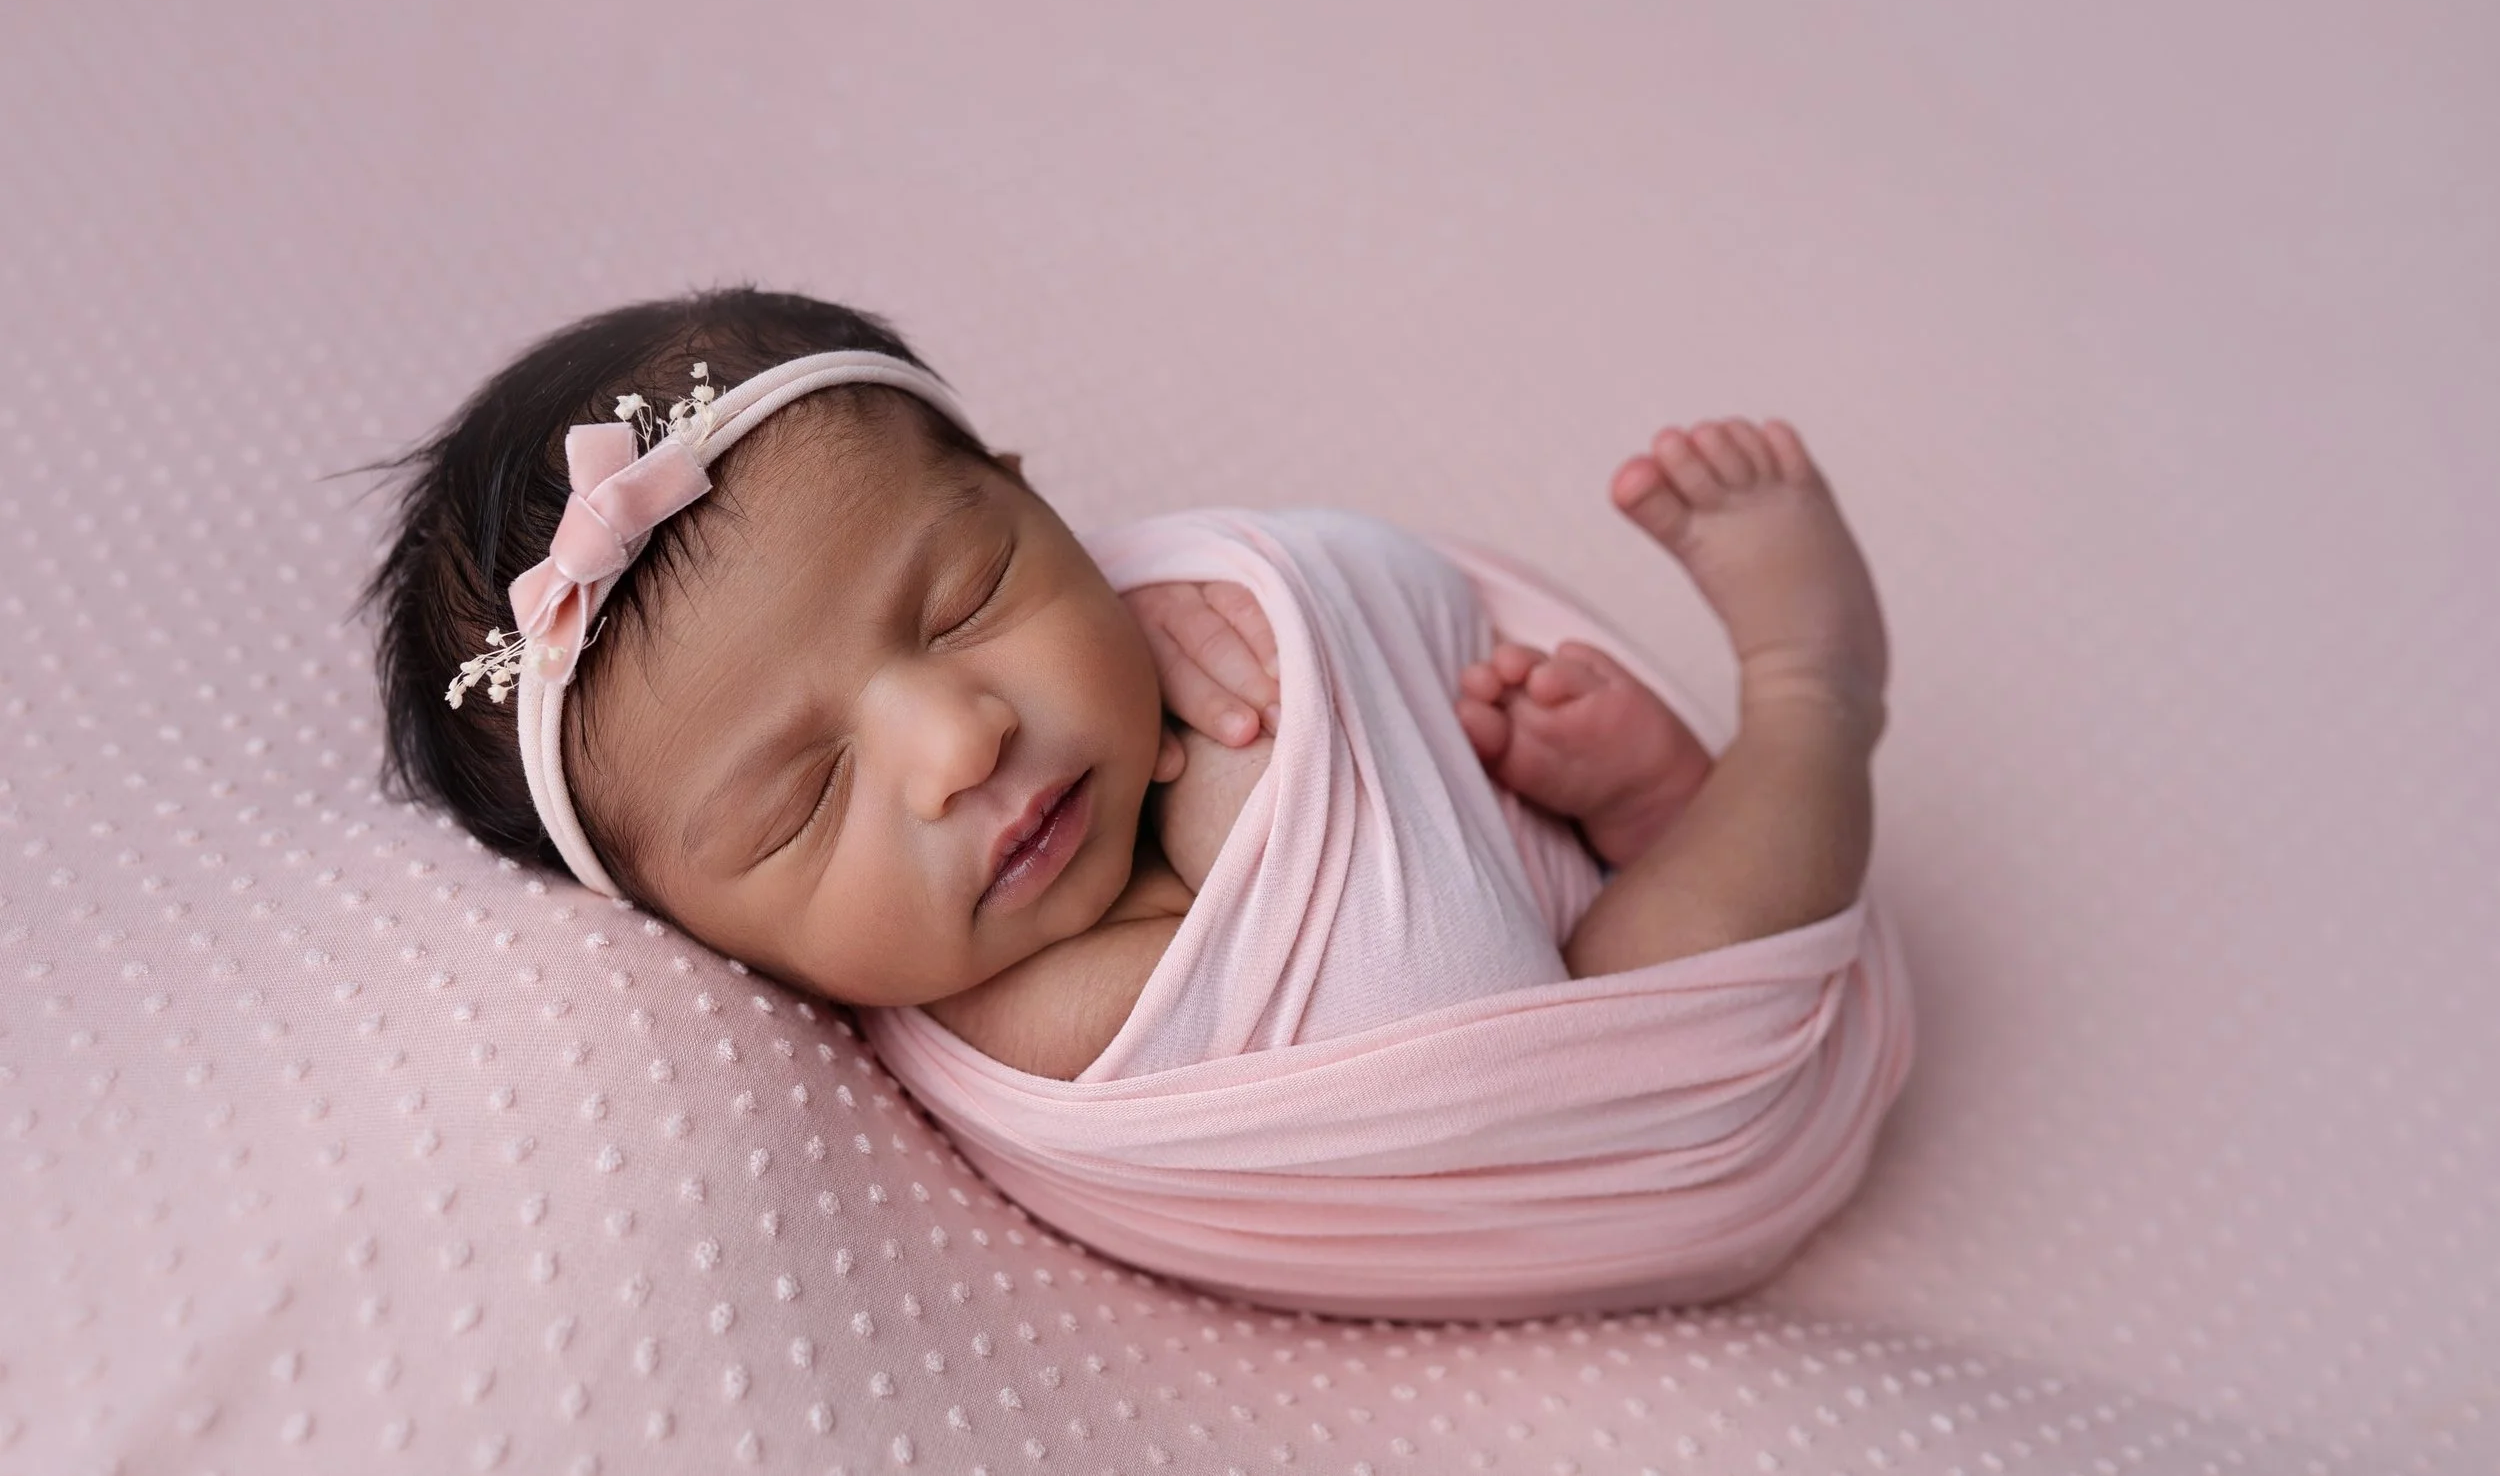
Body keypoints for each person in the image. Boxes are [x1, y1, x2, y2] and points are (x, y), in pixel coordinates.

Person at [366, 285, 1887, 1083]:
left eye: (968, 598)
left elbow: (1359, 579)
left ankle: (1640, 802)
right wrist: (1247, 764)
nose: (961, 738)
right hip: (1619, 1058)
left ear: (1031, 497)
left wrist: (1243, 613)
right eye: (804, 797)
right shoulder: (1027, 1012)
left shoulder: (1135, 610)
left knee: (1513, 733)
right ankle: (1813, 690)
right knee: (1653, 966)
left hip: (1503, 853)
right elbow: (1449, 1009)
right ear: (717, 945)